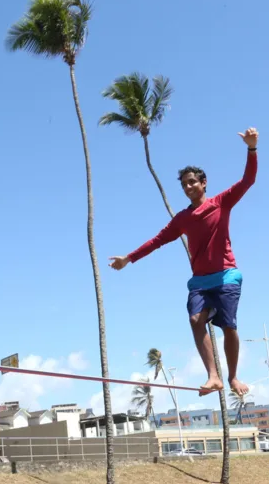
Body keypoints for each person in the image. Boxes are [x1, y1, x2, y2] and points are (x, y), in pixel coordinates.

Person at [110, 128, 259, 397]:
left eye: (192, 182)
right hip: (200, 281)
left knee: (229, 326)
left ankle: (233, 377)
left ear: (203, 183)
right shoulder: (182, 219)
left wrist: (251, 149)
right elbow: (157, 240)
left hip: (226, 275)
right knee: (194, 319)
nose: (188, 187)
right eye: (184, 184)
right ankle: (213, 376)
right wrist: (129, 258)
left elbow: (248, 180)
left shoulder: (221, 202)